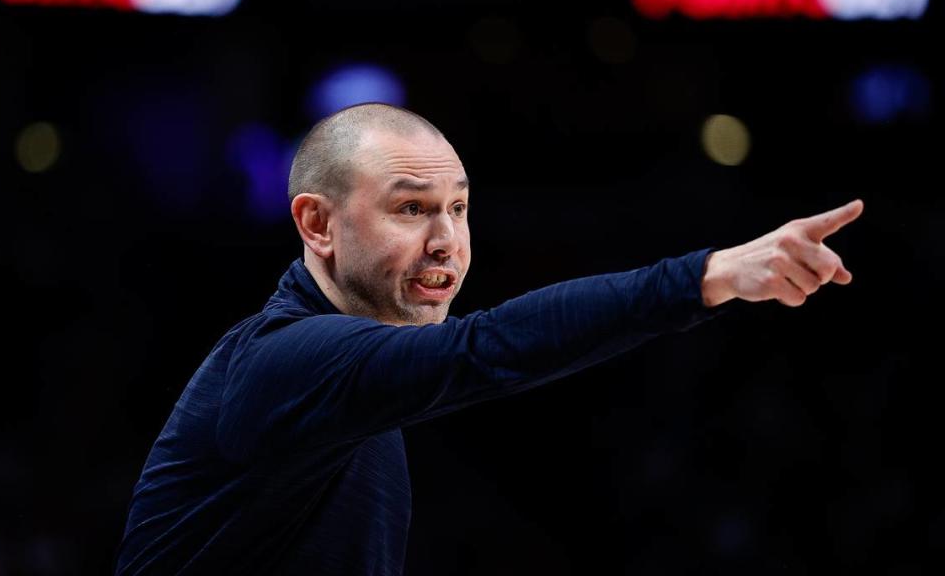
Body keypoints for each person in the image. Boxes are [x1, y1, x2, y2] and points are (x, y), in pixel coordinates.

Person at [114, 102, 863, 575]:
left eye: (460, 209)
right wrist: (707, 276)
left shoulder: (351, 376)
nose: (448, 241)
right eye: (411, 209)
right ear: (317, 224)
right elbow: (488, 349)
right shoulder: (286, 362)